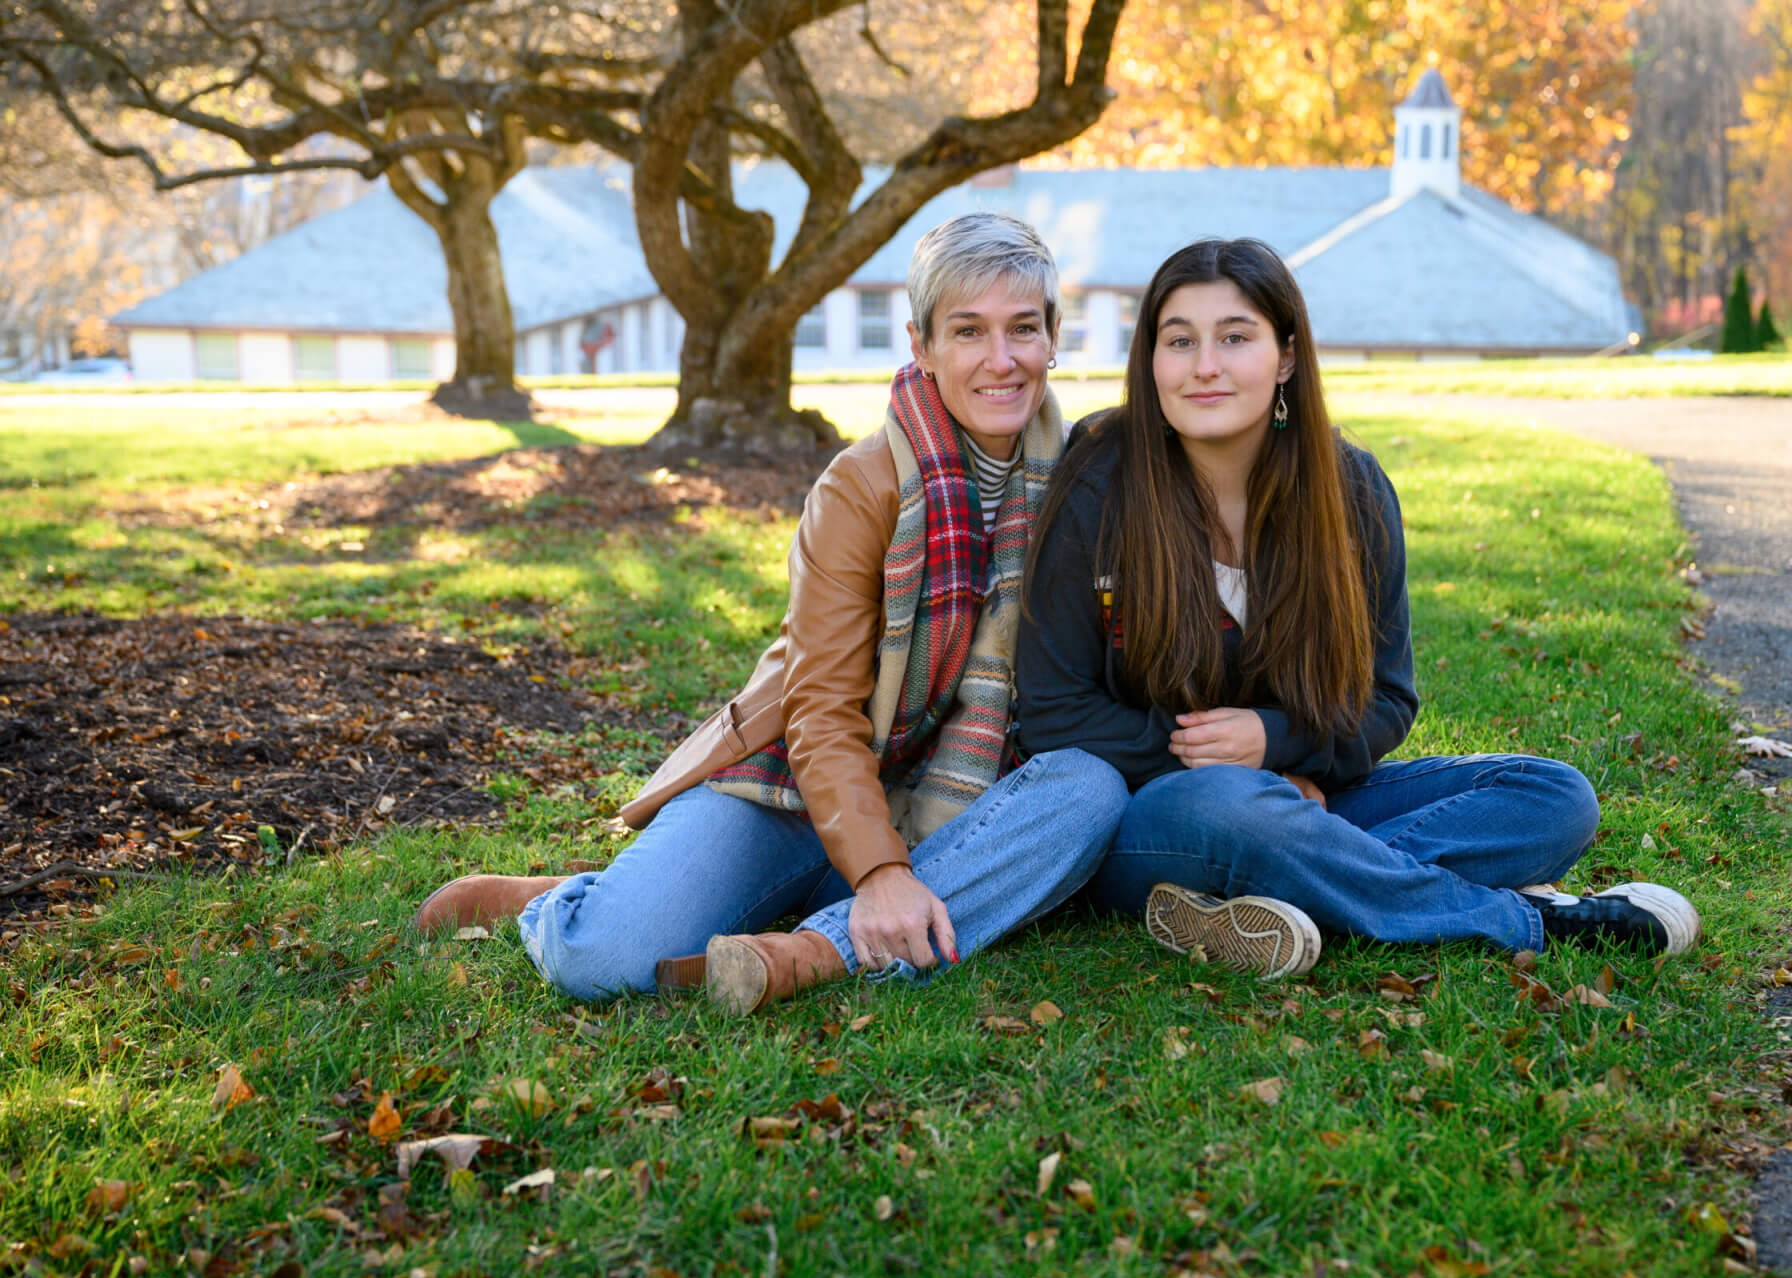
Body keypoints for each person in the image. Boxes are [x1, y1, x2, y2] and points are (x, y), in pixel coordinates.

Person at [418, 213, 1128, 1014]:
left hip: (950, 800)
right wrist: (882, 870)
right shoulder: (859, 489)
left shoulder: (1078, 481)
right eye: (968, 331)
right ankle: (589, 896)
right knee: (602, 960)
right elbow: (819, 710)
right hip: (797, 787)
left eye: (1022, 329)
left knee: (1087, 791)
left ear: (1054, 337)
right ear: (921, 345)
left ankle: (811, 950)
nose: (1000, 361)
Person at [1016, 238, 1698, 978]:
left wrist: (1275, 741)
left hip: (1310, 807)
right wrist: (1235, 764)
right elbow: (1054, 711)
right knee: (1235, 804)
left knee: (1553, 796)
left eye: (1235, 338)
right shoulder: (1100, 483)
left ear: (1285, 357)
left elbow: (1386, 699)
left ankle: (1289, 897)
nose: (1204, 366)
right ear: (1151, 362)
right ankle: (1525, 920)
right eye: (1178, 341)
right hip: (1156, 818)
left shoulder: (1351, 491)